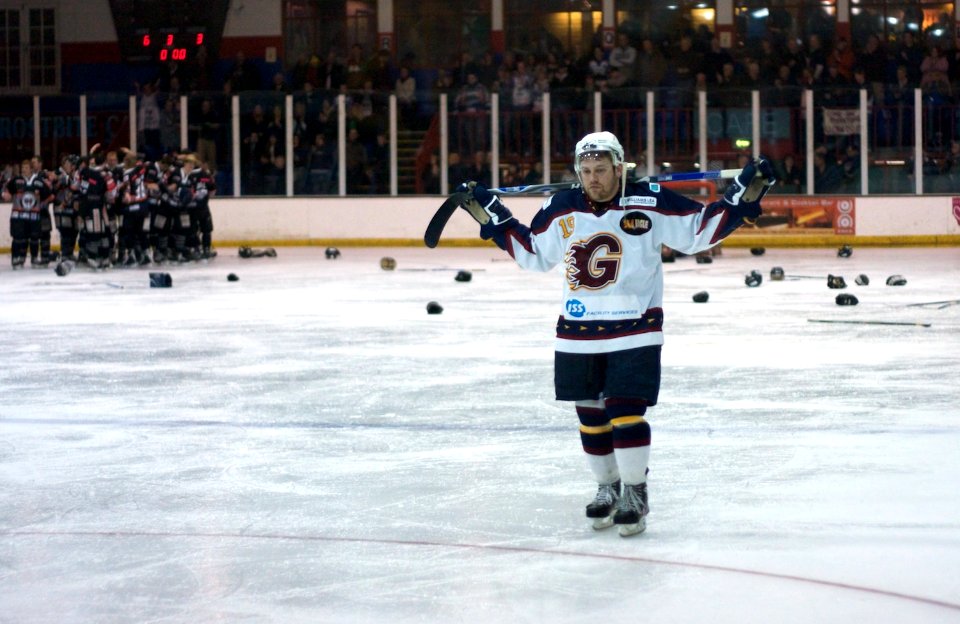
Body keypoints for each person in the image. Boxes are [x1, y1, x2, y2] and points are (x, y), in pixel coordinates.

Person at [453, 131, 776, 536]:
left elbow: (699, 231)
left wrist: (742, 195)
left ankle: (636, 493)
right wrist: (494, 215)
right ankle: (608, 487)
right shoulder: (560, 206)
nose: (594, 179)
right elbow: (534, 254)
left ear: (620, 168)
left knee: (625, 410)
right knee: (589, 412)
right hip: (578, 328)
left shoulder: (651, 200)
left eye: (602, 170)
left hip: (636, 326)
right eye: (586, 171)